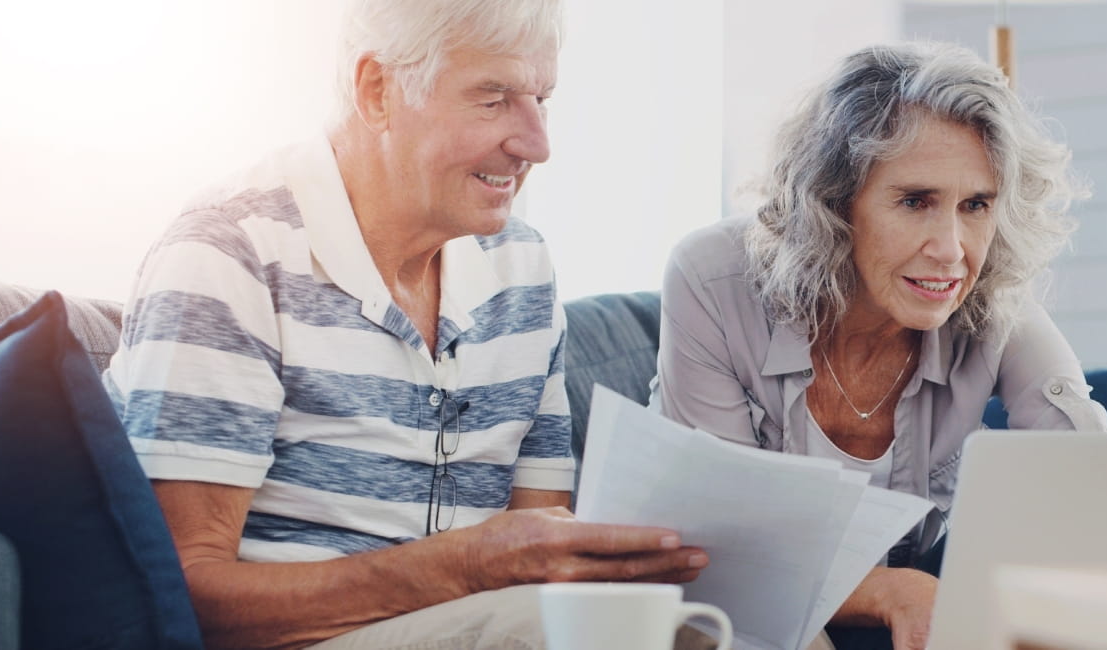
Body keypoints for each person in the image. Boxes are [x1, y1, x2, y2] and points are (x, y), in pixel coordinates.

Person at [101, 1, 708, 648]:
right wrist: (467, 566)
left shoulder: (520, 265)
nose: (537, 144)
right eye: (493, 98)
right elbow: (184, 593)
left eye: (541, 98)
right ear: (377, 90)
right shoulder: (229, 256)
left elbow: (544, 550)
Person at [652, 41, 1107, 649]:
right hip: (713, 602)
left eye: (975, 205)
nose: (951, 249)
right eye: (916, 202)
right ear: (836, 204)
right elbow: (726, 552)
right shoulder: (712, 278)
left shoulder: (987, 296)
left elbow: (1092, 478)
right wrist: (892, 590)